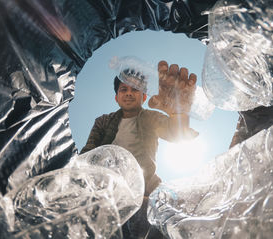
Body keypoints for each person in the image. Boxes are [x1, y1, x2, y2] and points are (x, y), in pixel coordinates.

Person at [80, 60, 198, 238]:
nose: (129, 94)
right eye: (123, 89)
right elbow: (87, 154)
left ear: (143, 96)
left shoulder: (150, 117)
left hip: (145, 190)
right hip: (105, 192)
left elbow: (178, 134)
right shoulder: (103, 121)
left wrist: (178, 112)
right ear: (116, 97)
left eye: (135, 89)